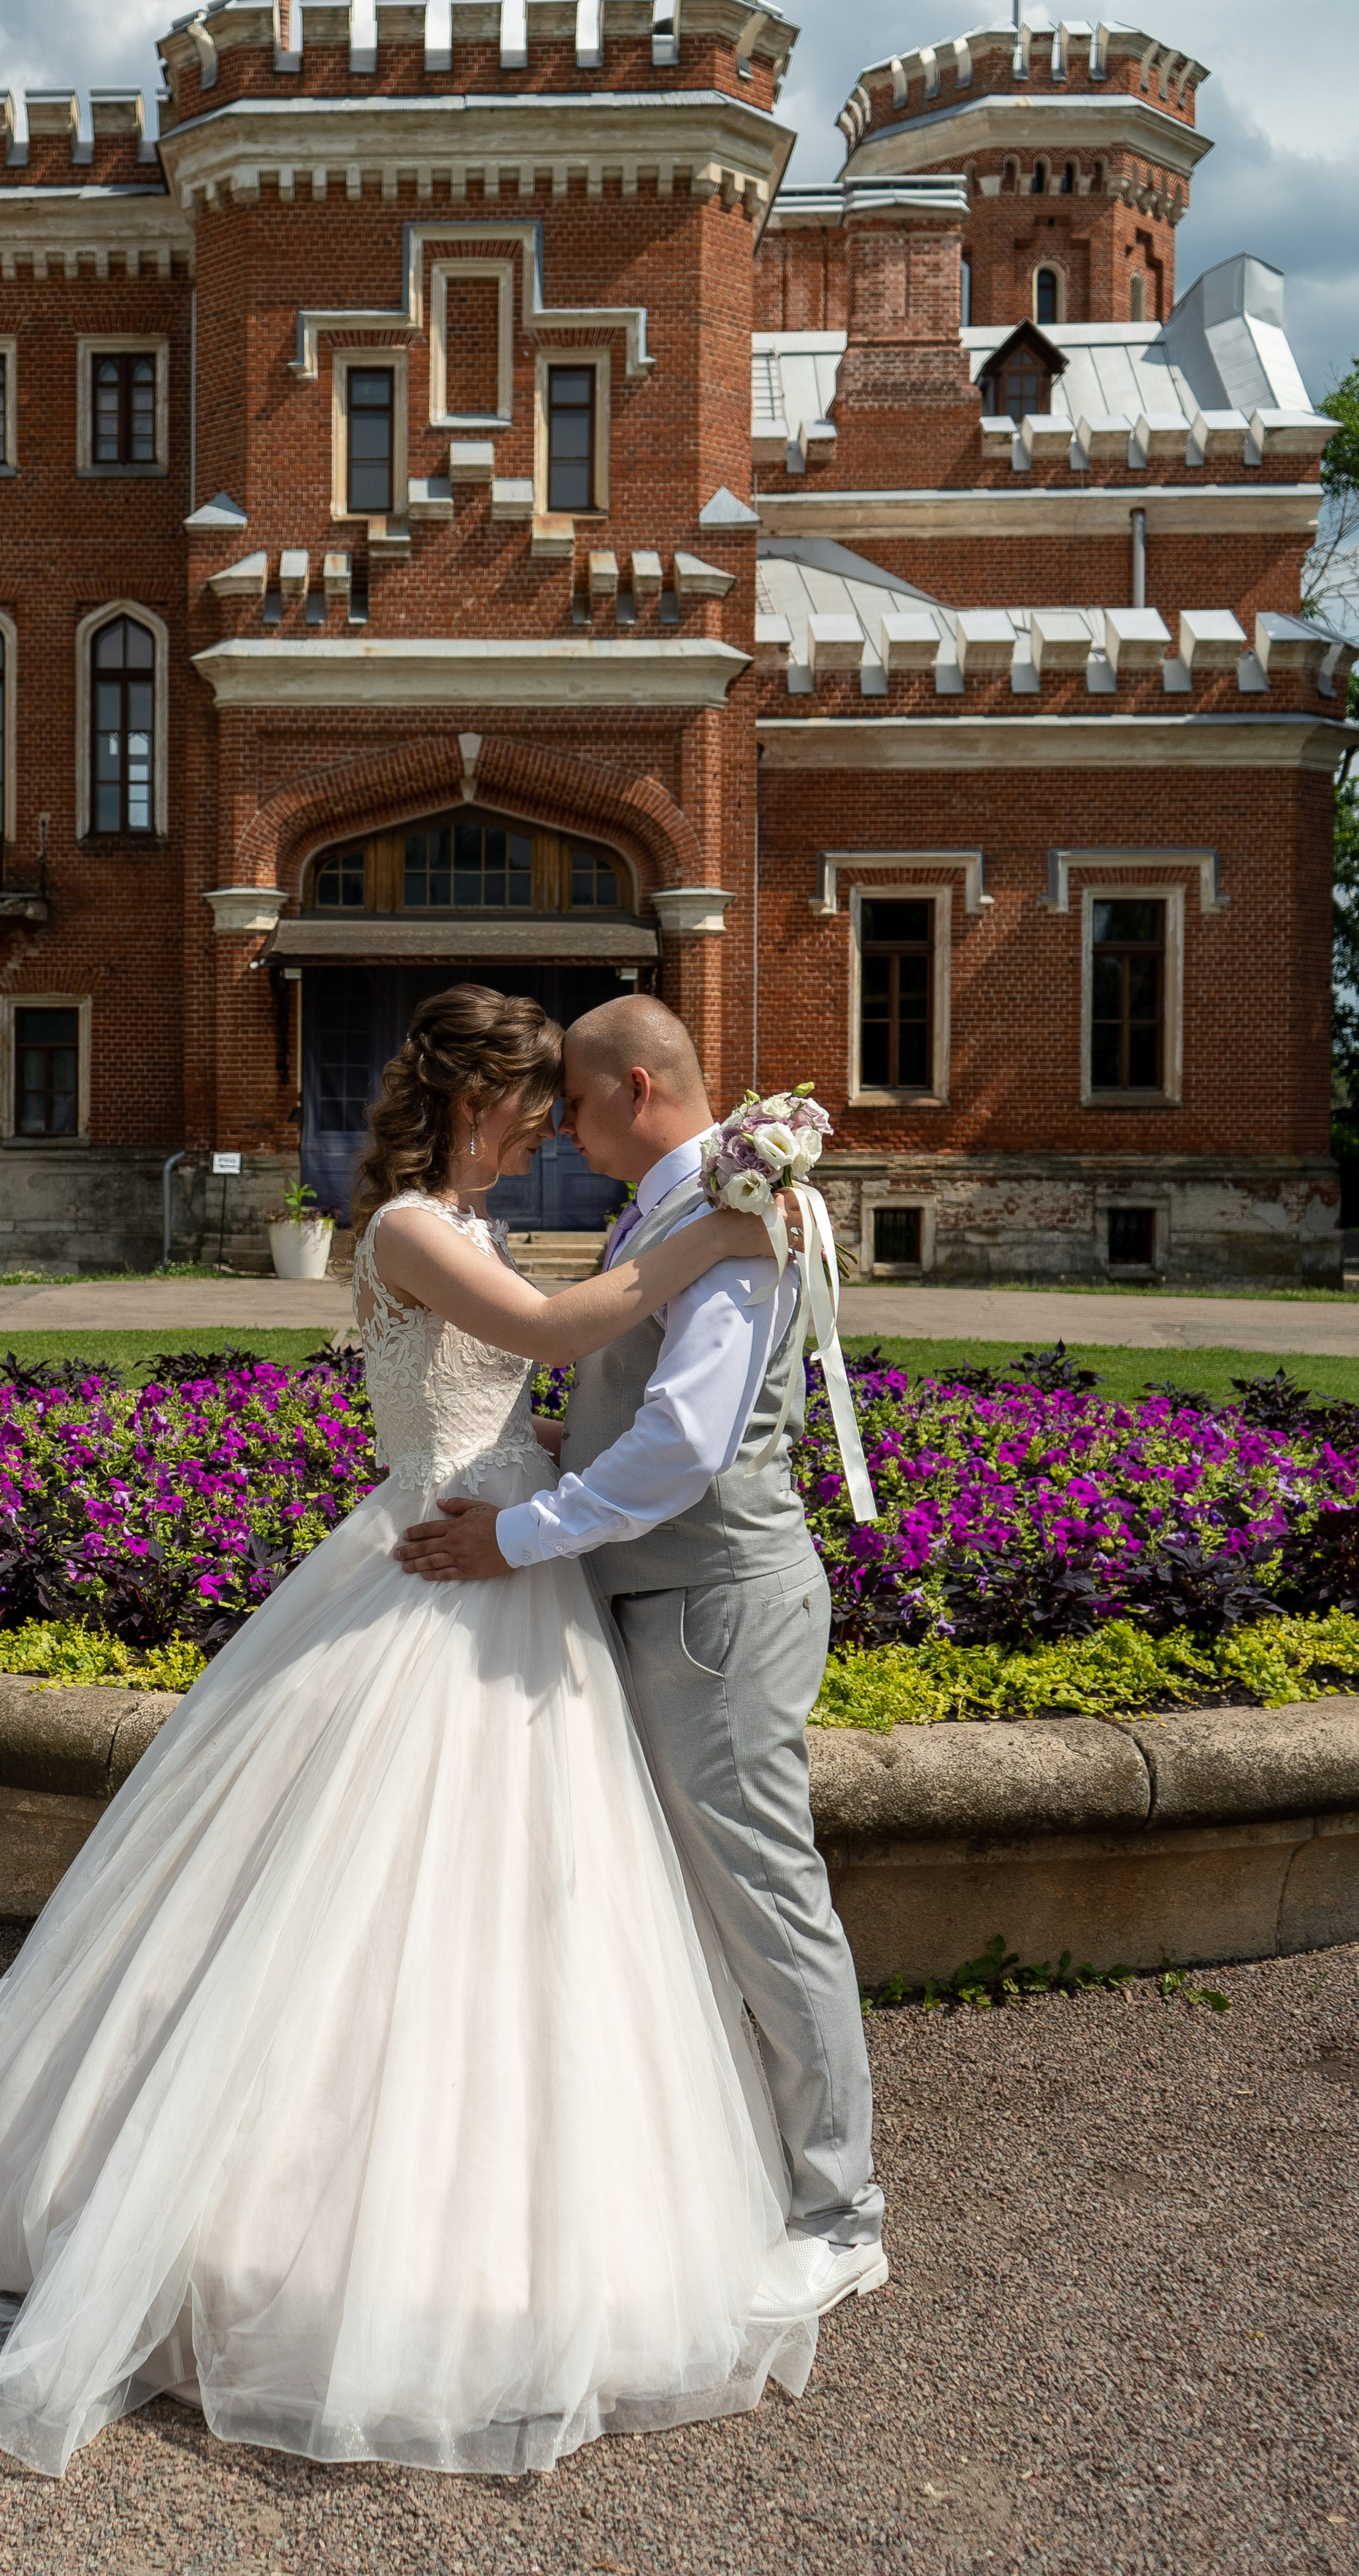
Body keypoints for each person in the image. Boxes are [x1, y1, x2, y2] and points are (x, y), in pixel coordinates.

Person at [0, 984, 824, 2481]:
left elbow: (509, 1391)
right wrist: (725, 1232)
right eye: (530, 1104)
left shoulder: (466, 1224)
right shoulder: (415, 1227)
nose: (548, 1129)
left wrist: (547, 1446)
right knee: (352, 1888)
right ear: (475, 1102)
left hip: (501, 1562)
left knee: (516, 1900)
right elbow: (554, 1331)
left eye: (561, 1102)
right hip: (443, 1571)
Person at [397, 996, 888, 2324]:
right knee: (676, 1899)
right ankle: (730, 2163)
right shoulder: (676, 1215)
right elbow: (633, 1401)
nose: (558, 1126)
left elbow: (687, 1447)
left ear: (635, 1090)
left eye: (572, 1101)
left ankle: (840, 2215)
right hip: (658, 1598)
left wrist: (519, 1535)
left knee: (766, 1898)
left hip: (712, 1605)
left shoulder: (725, 1224)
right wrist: (532, 1457)